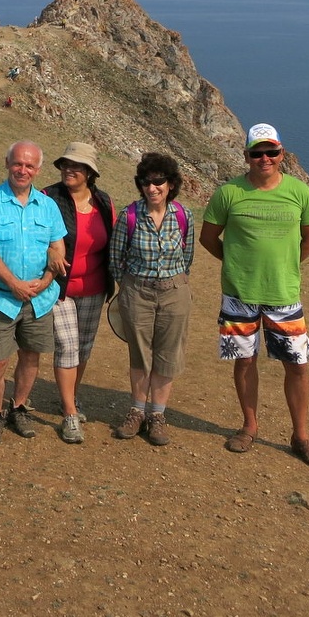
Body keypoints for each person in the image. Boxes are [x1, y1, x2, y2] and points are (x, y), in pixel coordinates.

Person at [199, 123, 309, 466]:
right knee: (245, 361)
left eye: (271, 152)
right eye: (257, 153)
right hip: (239, 293)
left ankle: (301, 435)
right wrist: (236, 264)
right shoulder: (229, 193)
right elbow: (209, 238)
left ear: (282, 155)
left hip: (284, 294)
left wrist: (286, 266)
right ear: (247, 156)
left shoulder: (299, 192)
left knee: (297, 365)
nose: (264, 158)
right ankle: (249, 426)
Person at [0, 141, 67, 444]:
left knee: (30, 357)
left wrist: (47, 278)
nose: (22, 170)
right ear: (7, 163)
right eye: (17, 163)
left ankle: (19, 407)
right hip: (1, 297)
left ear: (38, 170)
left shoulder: (48, 205)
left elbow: (57, 248)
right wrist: (14, 283)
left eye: (29, 166)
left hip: (40, 298)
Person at [107, 152, 194, 446]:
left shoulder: (183, 216)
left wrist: (173, 282)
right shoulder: (129, 216)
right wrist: (132, 287)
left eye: (159, 181)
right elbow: (115, 258)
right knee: (140, 354)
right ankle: (137, 411)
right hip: (137, 291)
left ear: (170, 184)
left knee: (167, 355)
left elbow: (187, 256)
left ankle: (157, 415)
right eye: (146, 182)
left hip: (174, 291)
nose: (152, 187)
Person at [42, 142, 116, 444]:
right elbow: (33, 232)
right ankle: (70, 413)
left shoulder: (103, 202)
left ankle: (68, 397)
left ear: (89, 173)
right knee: (68, 346)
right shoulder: (48, 197)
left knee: (83, 349)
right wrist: (48, 249)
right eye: (66, 164)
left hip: (94, 289)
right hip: (60, 288)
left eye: (77, 166)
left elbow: (113, 240)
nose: (70, 170)